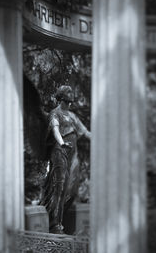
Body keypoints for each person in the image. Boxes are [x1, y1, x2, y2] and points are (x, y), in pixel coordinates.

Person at [43, 85, 91, 234]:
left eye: (71, 102)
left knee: (72, 188)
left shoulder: (72, 116)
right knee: (60, 187)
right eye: (67, 101)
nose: (69, 104)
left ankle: (60, 219)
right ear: (61, 100)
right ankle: (54, 225)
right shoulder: (54, 114)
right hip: (59, 152)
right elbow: (56, 130)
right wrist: (62, 143)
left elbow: (86, 132)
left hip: (72, 153)